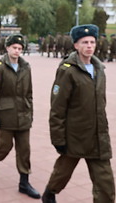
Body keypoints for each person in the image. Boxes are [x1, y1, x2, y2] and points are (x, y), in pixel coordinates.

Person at [42, 24, 114, 203]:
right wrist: (58, 139)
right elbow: (57, 108)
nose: (89, 46)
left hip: (98, 135)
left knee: (106, 183)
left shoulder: (99, 69)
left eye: (92, 42)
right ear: (76, 45)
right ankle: (50, 192)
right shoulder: (68, 70)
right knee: (63, 171)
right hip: (75, 135)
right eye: (84, 42)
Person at [0, 34, 40, 199]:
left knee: (24, 150)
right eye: (14, 47)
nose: (17, 51)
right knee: (5, 146)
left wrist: (30, 112)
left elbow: (29, 93)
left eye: (19, 48)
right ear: (7, 48)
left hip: (23, 115)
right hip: (6, 115)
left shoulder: (26, 67)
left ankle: (24, 182)